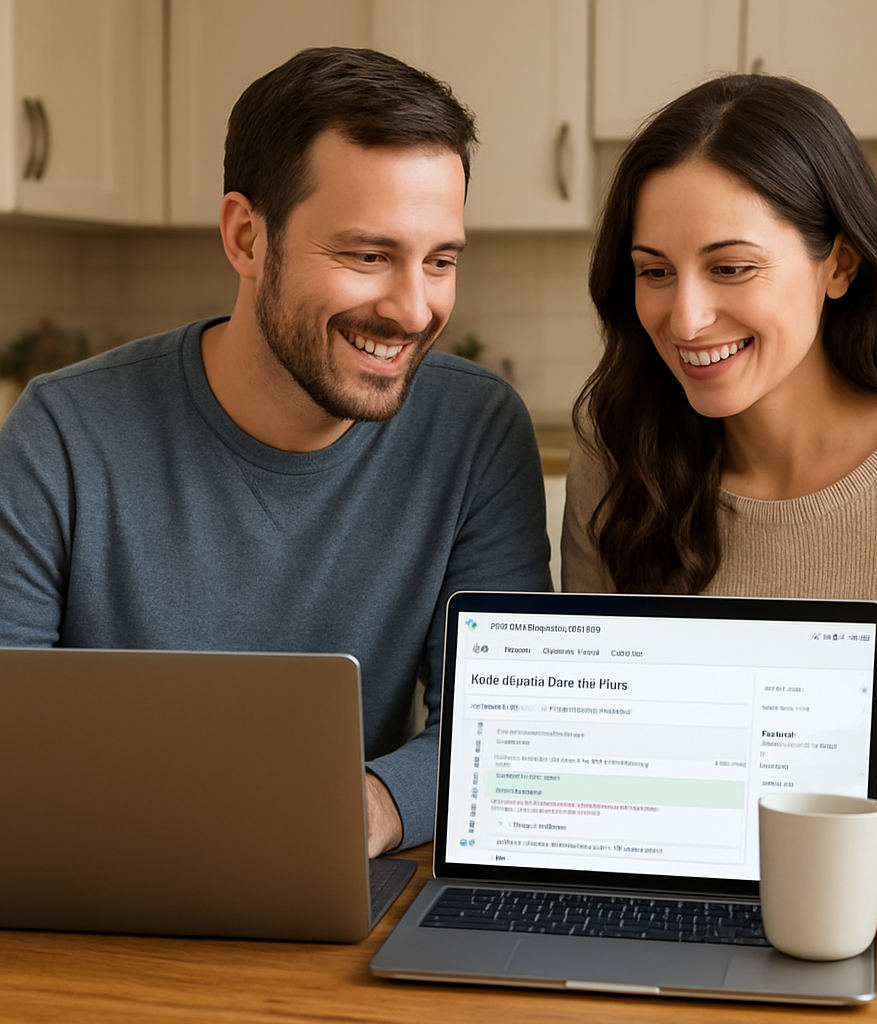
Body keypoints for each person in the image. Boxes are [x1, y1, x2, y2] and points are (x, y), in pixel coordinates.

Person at [0, 48, 551, 855]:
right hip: (98, 896)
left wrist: (360, 811)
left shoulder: (475, 430)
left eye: (440, 261)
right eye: (368, 255)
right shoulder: (61, 433)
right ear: (247, 237)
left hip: (335, 883)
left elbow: (502, 733)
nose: (413, 307)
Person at [562, 74, 877, 939]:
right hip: (661, 932)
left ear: (839, 262)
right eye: (653, 272)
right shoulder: (618, 450)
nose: (686, 317)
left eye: (731, 267)